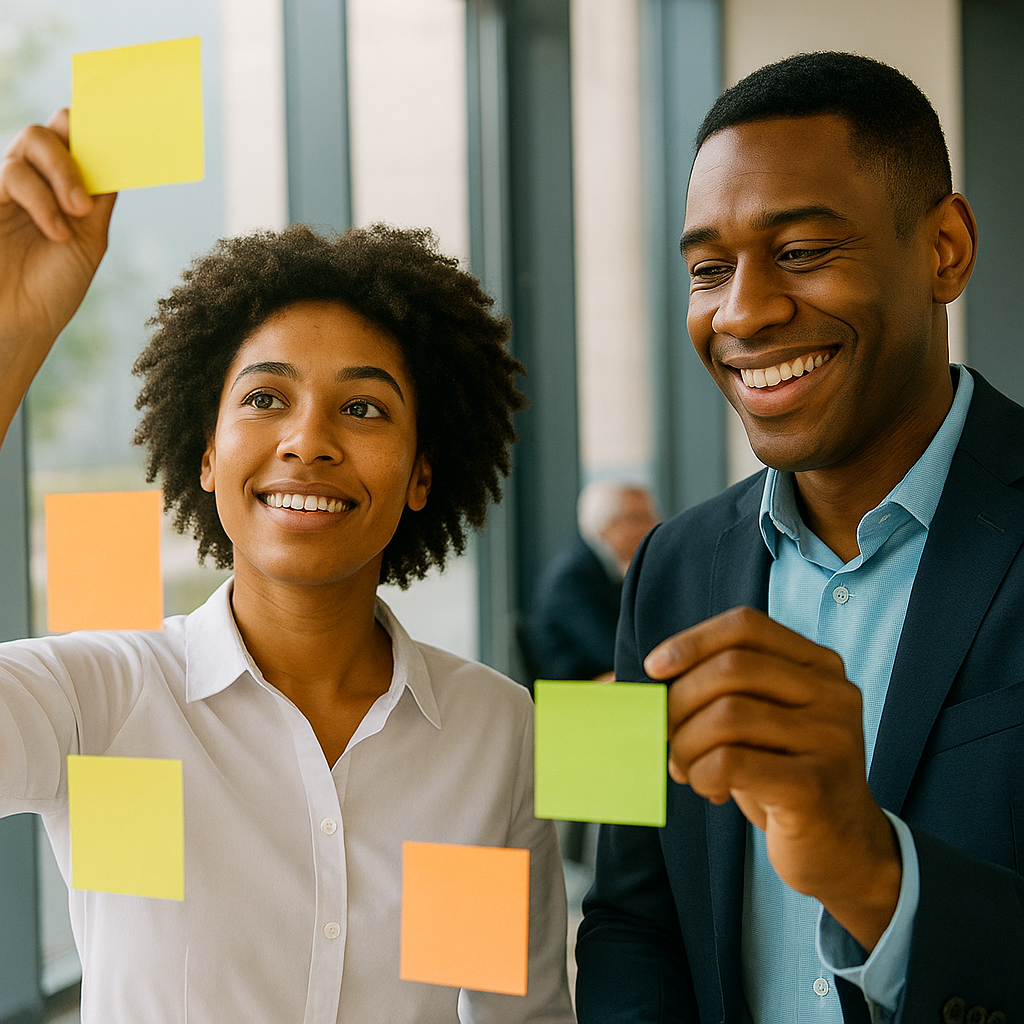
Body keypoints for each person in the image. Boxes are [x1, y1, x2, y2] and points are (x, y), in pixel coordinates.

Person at [0, 112, 575, 1023]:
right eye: (266, 397)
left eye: (365, 409)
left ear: (424, 472)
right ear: (205, 455)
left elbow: (514, 1015)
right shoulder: (101, 702)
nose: (307, 442)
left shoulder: (487, 733)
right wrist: (8, 335)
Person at [575, 52, 1024, 1024]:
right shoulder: (664, 569)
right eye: (706, 270)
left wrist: (870, 869)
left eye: (804, 251)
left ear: (943, 246)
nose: (741, 310)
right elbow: (623, 915)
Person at [528, 482, 658, 682]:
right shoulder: (574, 578)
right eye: (638, 518)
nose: (652, 526)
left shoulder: (603, 569)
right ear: (605, 525)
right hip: (579, 697)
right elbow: (613, 651)